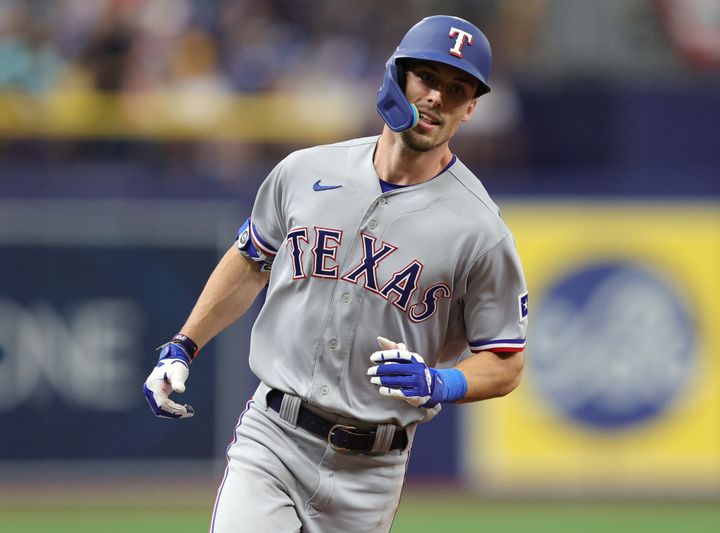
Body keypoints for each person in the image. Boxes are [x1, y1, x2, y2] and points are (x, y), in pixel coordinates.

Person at [143, 14, 528, 533]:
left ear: (471, 108)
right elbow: (250, 259)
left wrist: (443, 381)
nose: (438, 97)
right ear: (397, 77)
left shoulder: (481, 230)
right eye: (428, 79)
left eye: (457, 89)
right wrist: (184, 344)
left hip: (372, 468)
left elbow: (505, 362)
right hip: (273, 437)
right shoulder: (305, 172)